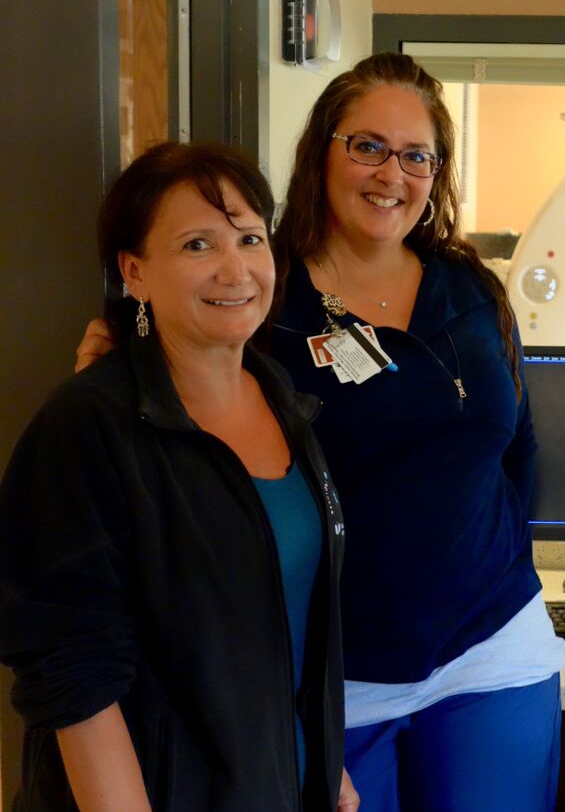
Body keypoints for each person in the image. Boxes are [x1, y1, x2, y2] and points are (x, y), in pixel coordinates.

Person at [79, 53, 564, 810]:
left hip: (490, 650)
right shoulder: (262, 299)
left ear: (435, 174)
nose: (390, 174)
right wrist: (122, 361)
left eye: (416, 156)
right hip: (337, 674)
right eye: (367, 146)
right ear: (323, 151)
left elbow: (519, 452)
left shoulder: (469, 291)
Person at [2, 143, 357, 810]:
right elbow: (72, 671)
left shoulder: (279, 397)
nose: (235, 268)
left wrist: (322, 762)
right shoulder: (87, 424)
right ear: (135, 271)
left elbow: (287, 614)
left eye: (250, 238)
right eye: (198, 245)